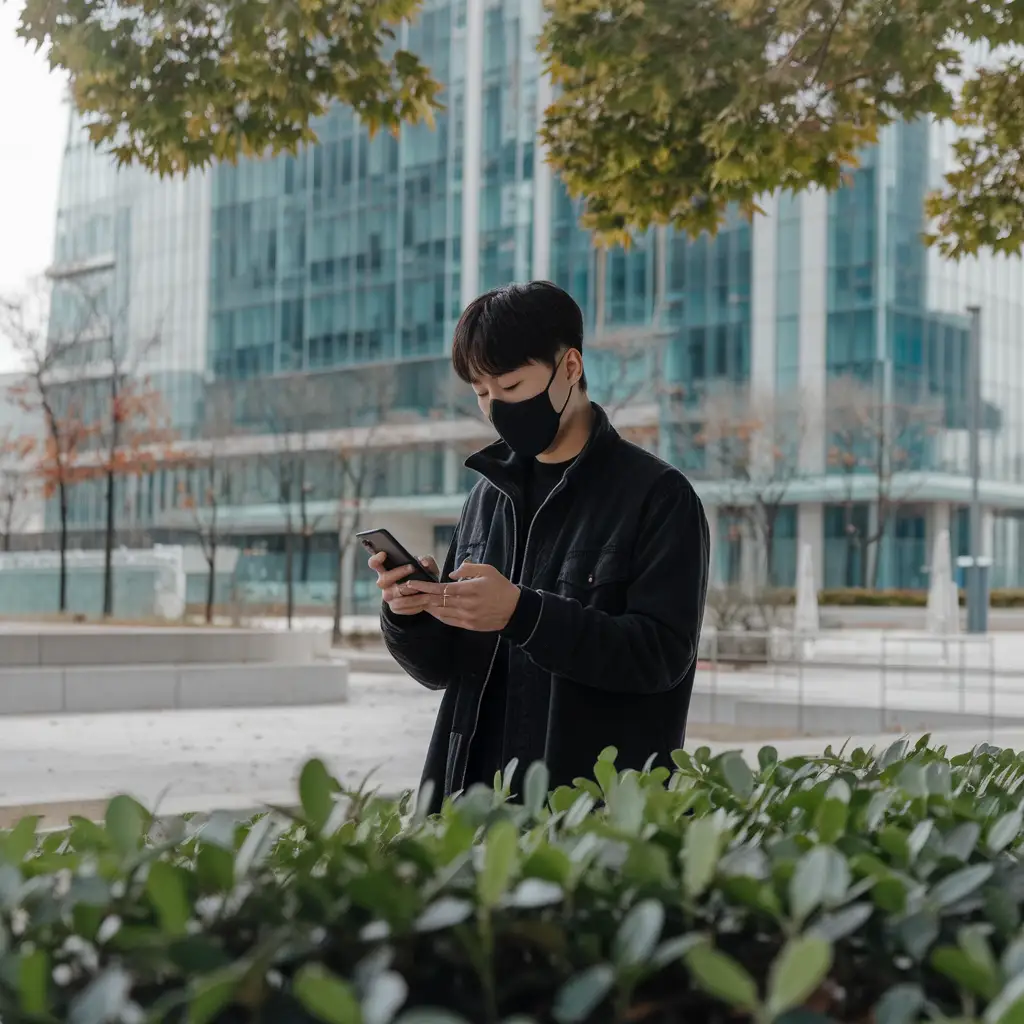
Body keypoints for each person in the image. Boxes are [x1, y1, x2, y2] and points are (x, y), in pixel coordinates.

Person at [369, 281, 709, 811]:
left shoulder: (658, 497)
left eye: (510, 386)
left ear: (570, 367)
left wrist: (522, 614)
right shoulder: (486, 497)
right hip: (468, 804)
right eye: (482, 393)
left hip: (586, 815)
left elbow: (661, 657)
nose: (496, 407)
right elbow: (444, 671)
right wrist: (412, 613)